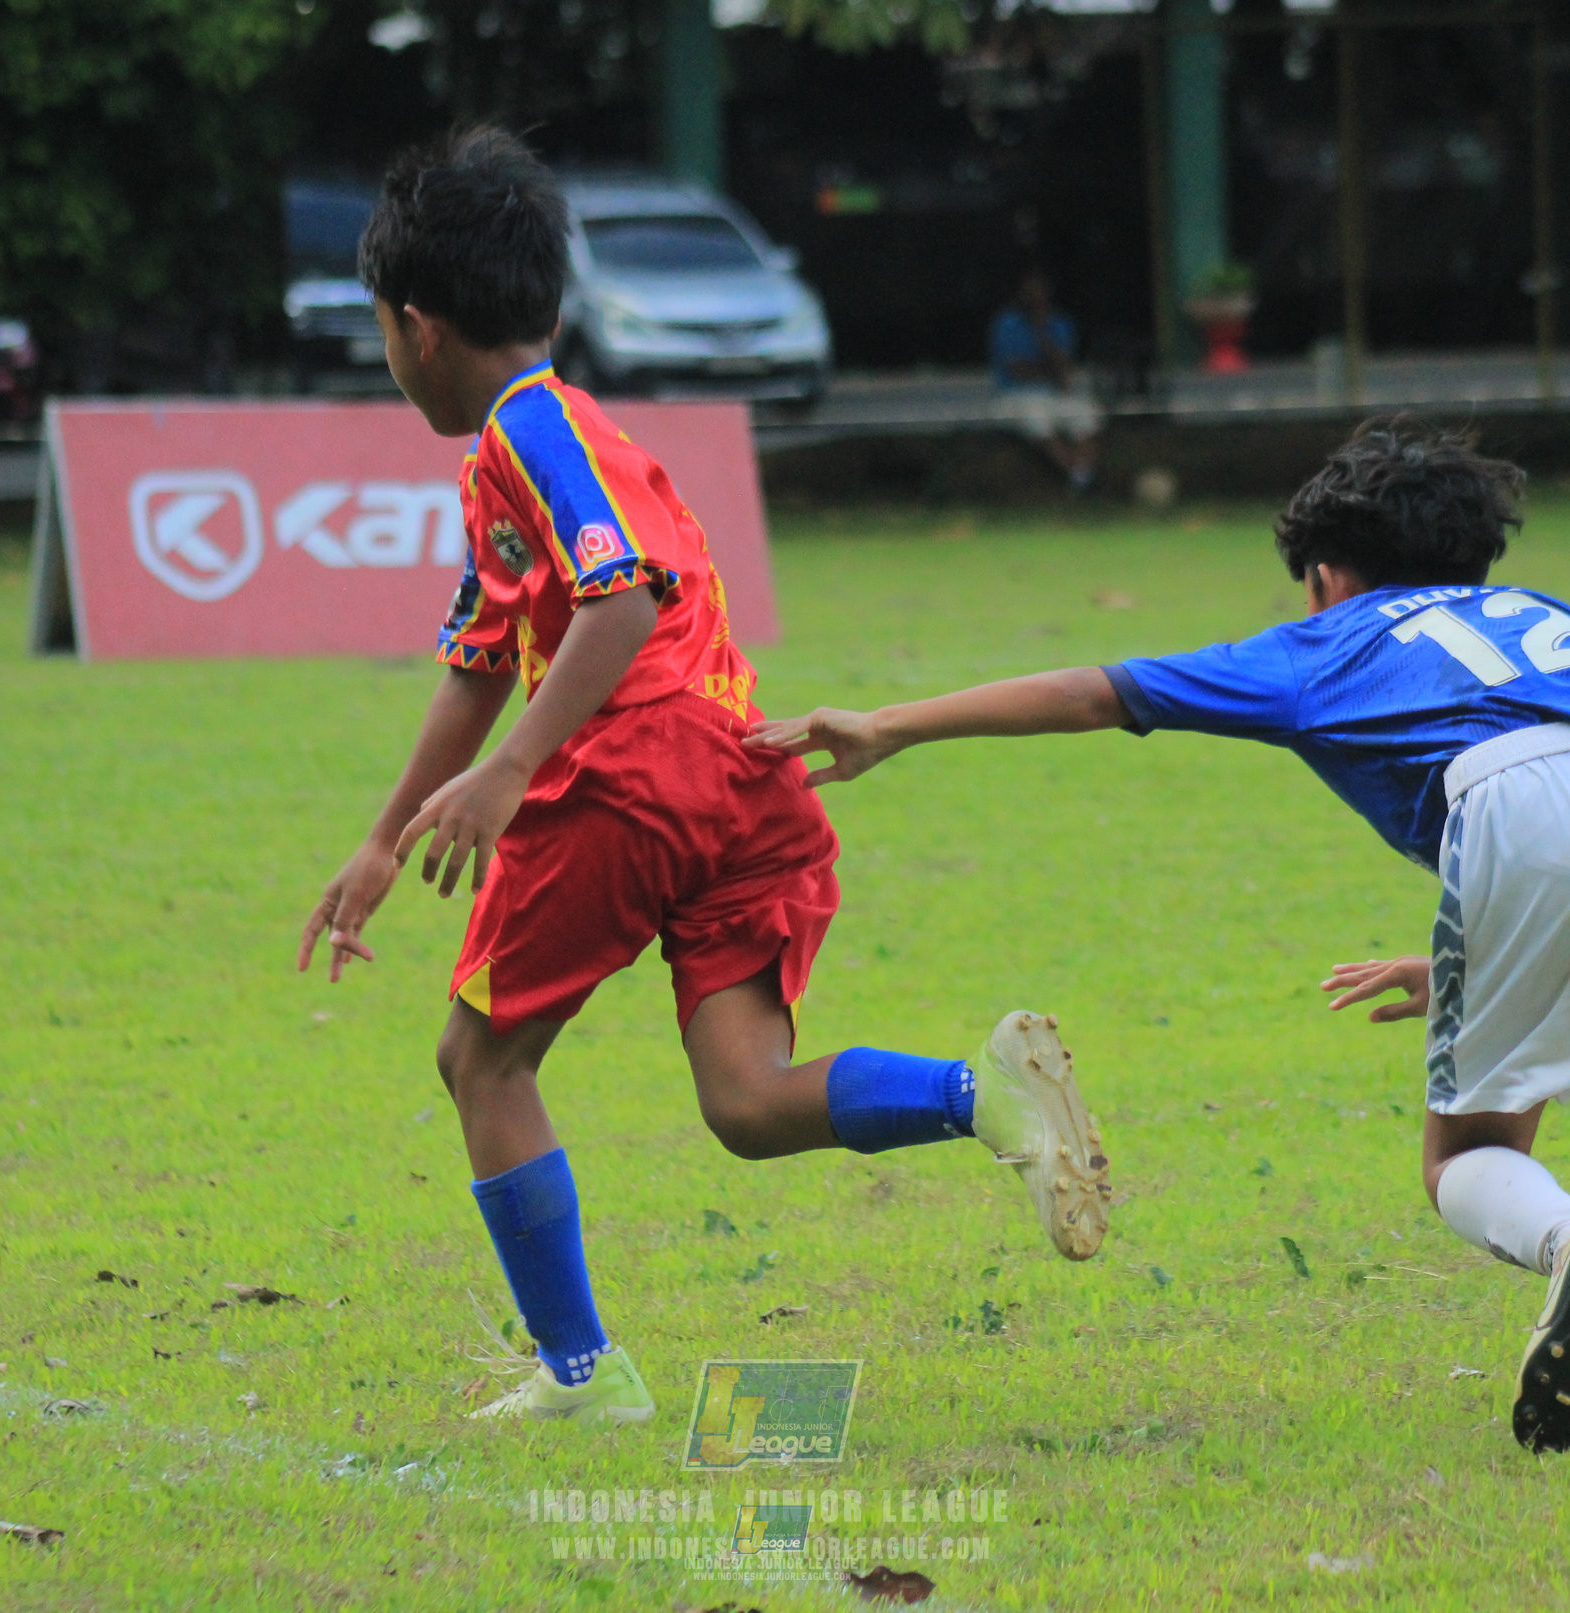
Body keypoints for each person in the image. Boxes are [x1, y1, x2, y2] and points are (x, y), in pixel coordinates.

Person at [751, 419, 1570, 1455]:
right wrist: (1466, 955)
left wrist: (889, 724)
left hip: (1532, 816)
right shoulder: (1540, 611)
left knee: (1468, 1154)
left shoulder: (1324, 641)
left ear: (1328, 576)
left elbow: (1096, 692)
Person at [296, 128, 1113, 1427]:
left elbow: (616, 606)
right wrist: (385, 839)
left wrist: (513, 771)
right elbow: (478, 660)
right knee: (743, 1099)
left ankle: (584, 1375)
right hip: (739, 772)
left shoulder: (528, 431)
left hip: (633, 771)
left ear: (415, 324)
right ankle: (983, 1096)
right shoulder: (558, 443)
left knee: (481, 1063)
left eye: (384, 337)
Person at [990, 269, 1102, 494]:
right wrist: (1050, 372)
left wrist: (1042, 332)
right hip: (1018, 394)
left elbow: (1063, 370)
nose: (1036, 299)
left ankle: (1082, 477)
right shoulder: (1006, 325)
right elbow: (1017, 370)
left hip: (1055, 392)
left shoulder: (1060, 324)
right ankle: (1076, 475)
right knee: (1038, 420)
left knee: (1086, 414)